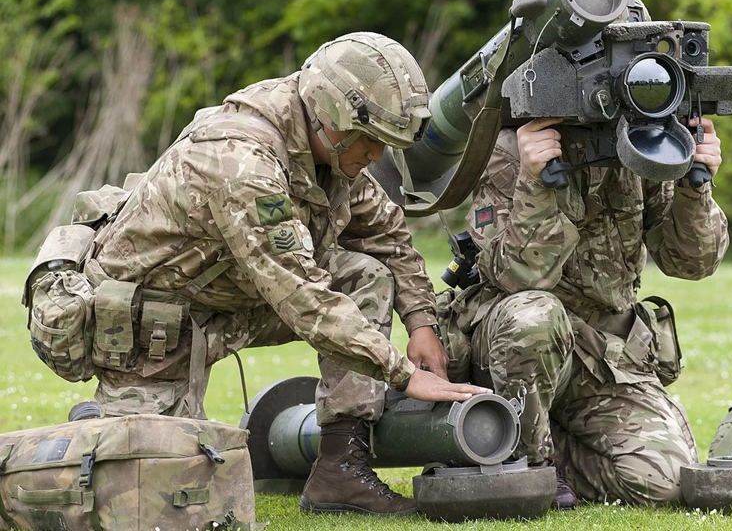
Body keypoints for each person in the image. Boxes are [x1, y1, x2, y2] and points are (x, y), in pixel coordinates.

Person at [82, 32, 489, 515]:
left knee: (366, 275)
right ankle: (98, 423)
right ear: (333, 118)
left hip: (235, 298)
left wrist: (421, 323)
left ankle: (340, 468)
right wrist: (402, 375)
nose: (377, 156)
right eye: (373, 141)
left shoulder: (327, 148)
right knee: (162, 496)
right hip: (155, 327)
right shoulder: (242, 162)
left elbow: (387, 233)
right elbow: (304, 296)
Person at [442, 114, 728, 509]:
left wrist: (693, 183)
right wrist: (535, 181)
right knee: (536, 315)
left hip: (604, 358)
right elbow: (520, 276)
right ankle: (527, 466)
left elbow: (693, 263)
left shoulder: (641, 144)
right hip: (517, 348)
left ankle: (511, 444)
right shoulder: (510, 148)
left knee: (665, 482)